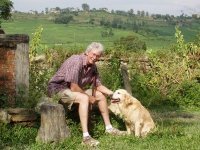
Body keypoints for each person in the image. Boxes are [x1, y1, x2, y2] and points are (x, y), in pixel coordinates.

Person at [47, 42, 124, 146]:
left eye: (98, 56)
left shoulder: (93, 67)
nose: (95, 57)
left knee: (100, 95)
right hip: (58, 89)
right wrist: (88, 97)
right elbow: (73, 87)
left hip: (72, 90)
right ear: (87, 52)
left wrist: (113, 94)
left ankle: (109, 128)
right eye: (93, 54)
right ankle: (86, 137)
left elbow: (98, 85)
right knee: (84, 98)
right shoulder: (76, 61)